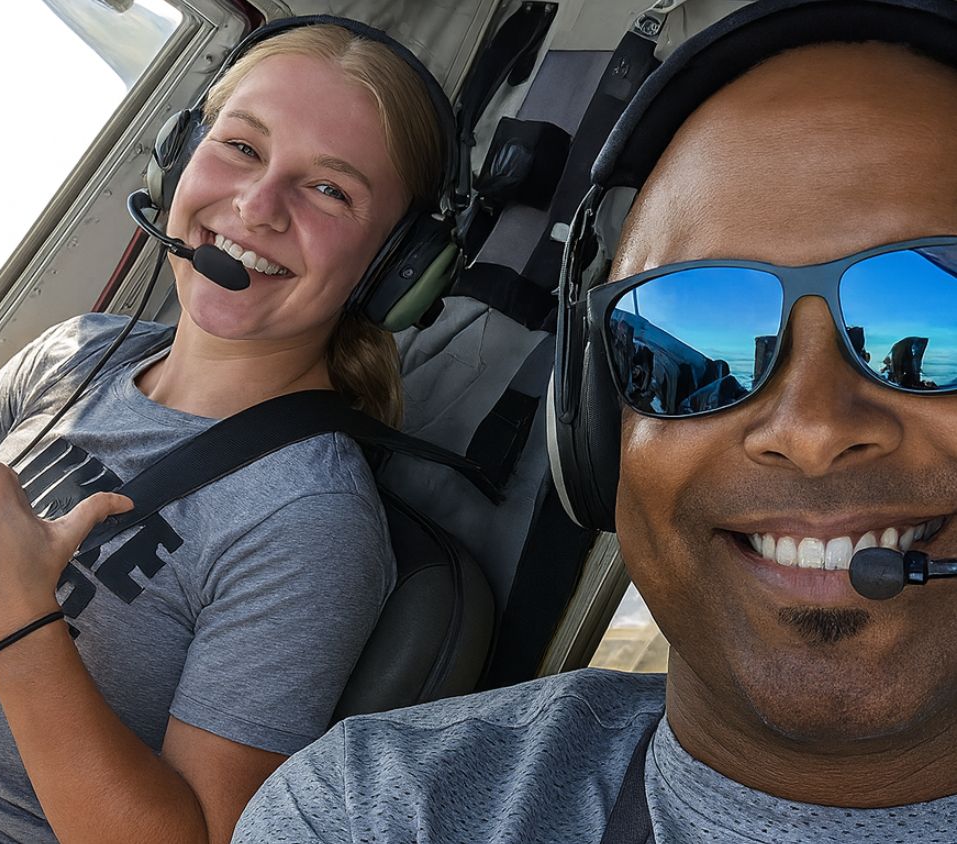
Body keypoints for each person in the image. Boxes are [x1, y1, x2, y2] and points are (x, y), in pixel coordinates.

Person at [232, 1, 957, 841]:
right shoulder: (375, 808)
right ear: (596, 430)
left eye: (930, 315)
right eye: (688, 328)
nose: (809, 429)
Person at [0, 18, 448, 844]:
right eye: (241, 147)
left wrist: (16, 619)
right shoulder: (80, 354)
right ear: (178, 156)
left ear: (396, 266)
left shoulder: (310, 521)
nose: (257, 206)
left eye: (329, 190)